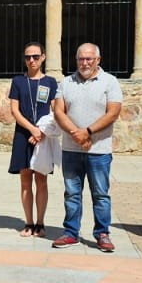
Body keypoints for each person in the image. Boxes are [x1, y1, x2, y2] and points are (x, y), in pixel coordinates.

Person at [50, 42, 123, 251]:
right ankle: (71, 232)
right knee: (72, 193)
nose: (85, 62)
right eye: (81, 59)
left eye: (89, 58)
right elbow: (59, 112)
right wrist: (77, 133)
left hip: (99, 150)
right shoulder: (65, 82)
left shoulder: (110, 82)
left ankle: (102, 233)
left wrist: (88, 132)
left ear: (98, 60)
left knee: (100, 194)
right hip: (71, 150)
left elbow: (113, 112)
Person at [7, 41, 57, 238]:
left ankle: (40, 223)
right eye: (28, 57)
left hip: (43, 136)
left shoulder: (51, 82)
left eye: (36, 56)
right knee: (25, 180)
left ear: (43, 57)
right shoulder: (18, 81)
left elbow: (56, 110)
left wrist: (42, 132)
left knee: (42, 180)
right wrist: (32, 130)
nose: (32, 60)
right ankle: (28, 222)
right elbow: (14, 110)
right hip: (23, 135)